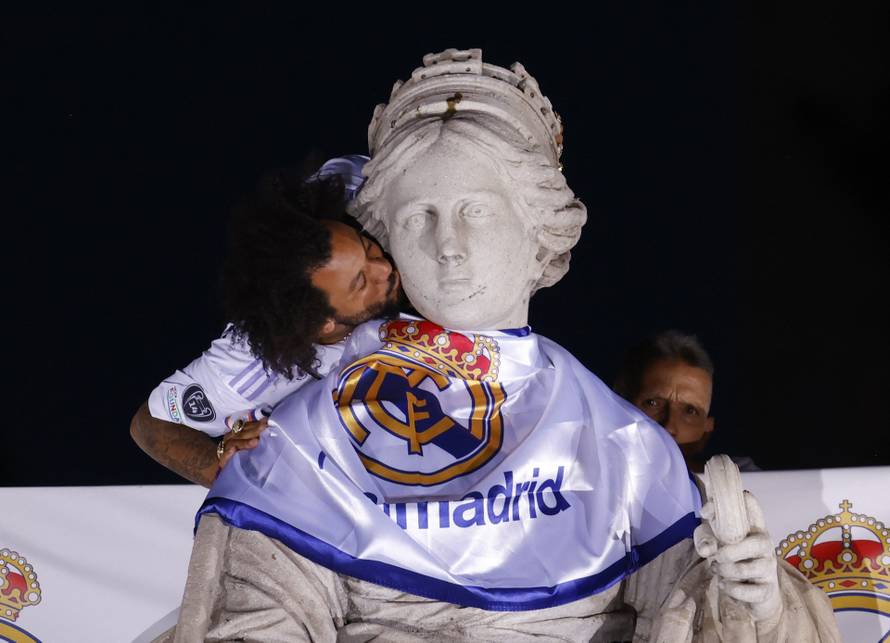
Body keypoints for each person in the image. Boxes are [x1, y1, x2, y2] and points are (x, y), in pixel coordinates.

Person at [168, 49, 838, 642]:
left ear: (539, 230)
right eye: (418, 216)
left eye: (476, 210)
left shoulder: (623, 448)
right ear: (390, 241)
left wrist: (754, 603)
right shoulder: (303, 436)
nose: (448, 244)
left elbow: (701, 616)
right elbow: (256, 615)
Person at [129, 156, 402, 486]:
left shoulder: (363, 192)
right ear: (324, 324)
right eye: (360, 282)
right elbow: (150, 426)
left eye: (368, 249)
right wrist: (220, 464)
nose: (384, 269)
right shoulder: (250, 368)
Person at [613, 330, 759, 472]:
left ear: (706, 430)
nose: (669, 427)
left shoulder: (746, 480)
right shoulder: (593, 480)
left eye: (690, 411)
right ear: (620, 408)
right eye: (653, 403)